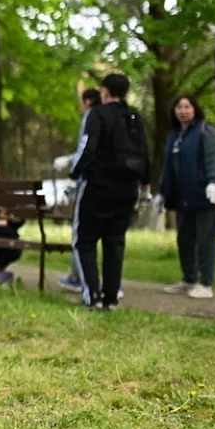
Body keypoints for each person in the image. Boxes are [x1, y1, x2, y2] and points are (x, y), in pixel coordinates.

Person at [70, 74, 150, 309]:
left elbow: (87, 147)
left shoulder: (97, 114)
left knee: (85, 241)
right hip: (127, 189)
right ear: (126, 92)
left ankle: (92, 295)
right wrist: (145, 185)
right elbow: (145, 154)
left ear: (104, 91)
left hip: (98, 187)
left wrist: (75, 173)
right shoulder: (134, 118)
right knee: (115, 243)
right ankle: (111, 297)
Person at [158, 96, 215, 299]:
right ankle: (189, 279)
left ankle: (206, 283)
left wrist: (214, 181)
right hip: (183, 197)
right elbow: (168, 167)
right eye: (179, 107)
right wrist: (162, 192)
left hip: (207, 195)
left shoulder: (206, 130)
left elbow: (213, 157)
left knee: (206, 239)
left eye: (187, 107)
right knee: (185, 239)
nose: (183, 111)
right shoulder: (174, 135)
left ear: (195, 109)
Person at [58, 88, 102, 294]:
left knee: (81, 236)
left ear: (87, 101)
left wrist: (73, 172)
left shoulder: (91, 118)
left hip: (88, 183)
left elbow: (85, 148)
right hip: (109, 184)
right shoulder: (113, 118)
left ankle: (79, 279)